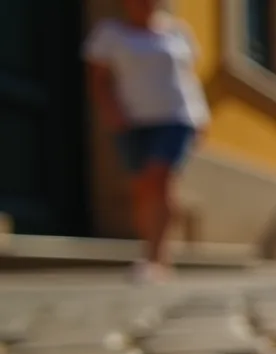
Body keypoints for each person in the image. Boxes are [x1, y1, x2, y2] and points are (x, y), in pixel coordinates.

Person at [84, 0, 209, 283]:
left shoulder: (178, 32)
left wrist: (202, 115)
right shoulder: (110, 33)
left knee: (161, 176)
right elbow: (99, 79)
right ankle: (151, 248)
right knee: (142, 187)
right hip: (133, 120)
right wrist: (109, 110)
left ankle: (157, 257)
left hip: (176, 117)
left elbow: (188, 79)